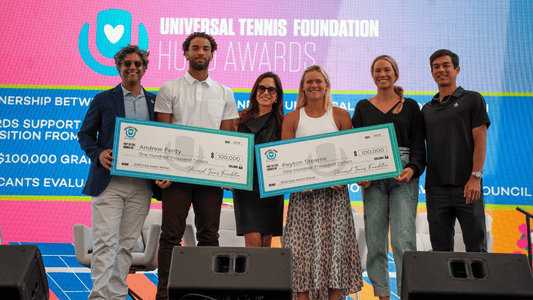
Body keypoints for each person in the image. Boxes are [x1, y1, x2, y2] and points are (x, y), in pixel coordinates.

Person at [153, 32, 239, 300]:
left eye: (205, 48)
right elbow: (162, 134)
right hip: (176, 178)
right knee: (170, 236)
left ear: (212, 54)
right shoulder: (169, 88)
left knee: (209, 237)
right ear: (185, 53)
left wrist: (228, 171)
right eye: (194, 48)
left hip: (210, 178)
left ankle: (206, 293)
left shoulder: (225, 92)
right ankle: (164, 294)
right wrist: (161, 171)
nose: (200, 52)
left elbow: (228, 139)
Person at [78, 45, 158, 300]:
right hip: (109, 183)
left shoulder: (156, 102)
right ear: (118, 67)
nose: (132, 68)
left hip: (142, 185)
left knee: (126, 245)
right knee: (104, 243)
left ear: (145, 68)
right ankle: (100, 297)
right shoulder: (103, 99)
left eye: (137, 64)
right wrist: (99, 153)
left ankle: (118, 296)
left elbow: (164, 141)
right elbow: (85, 134)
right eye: (127, 64)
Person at [281, 65, 363, 300]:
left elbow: (351, 156)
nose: (314, 85)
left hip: (334, 198)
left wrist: (344, 179)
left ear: (327, 85)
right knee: (300, 253)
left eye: (319, 81)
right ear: (302, 87)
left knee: (334, 251)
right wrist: (297, 182)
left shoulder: (340, 115)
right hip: (302, 198)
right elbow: (285, 161)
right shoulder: (292, 117)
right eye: (309, 82)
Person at [351, 55, 425, 299]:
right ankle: (382, 295)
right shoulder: (363, 107)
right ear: (372, 75)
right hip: (373, 180)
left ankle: (406, 294)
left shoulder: (412, 106)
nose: (382, 74)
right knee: (375, 241)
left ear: (396, 74)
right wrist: (360, 173)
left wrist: (412, 169)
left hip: (403, 175)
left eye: (387, 70)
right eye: (377, 70)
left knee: (404, 242)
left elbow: (418, 144)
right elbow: (355, 146)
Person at [422, 49, 490, 252]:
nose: (441, 70)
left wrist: (475, 177)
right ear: (432, 72)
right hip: (436, 190)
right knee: (440, 251)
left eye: (446, 65)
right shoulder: (426, 109)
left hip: (468, 186)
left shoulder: (473, 99)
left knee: (477, 248)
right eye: (436, 67)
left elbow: (481, 141)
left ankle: (480, 286)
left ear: (457, 69)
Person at [231, 72, 285, 247]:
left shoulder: (284, 124)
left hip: (270, 190)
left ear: (277, 96)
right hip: (246, 190)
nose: (266, 92)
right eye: (262, 88)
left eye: (271, 89)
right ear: (255, 92)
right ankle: (252, 275)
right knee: (253, 244)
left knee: (265, 244)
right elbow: (229, 152)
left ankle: (262, 276)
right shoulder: (238, 120)